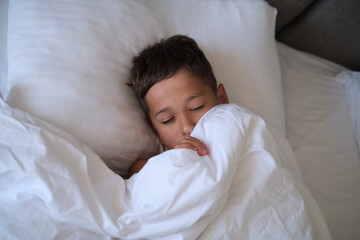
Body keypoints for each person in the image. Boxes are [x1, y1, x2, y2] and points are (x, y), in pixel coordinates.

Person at [127, 35, 229, 178]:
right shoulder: (153, 167)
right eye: (167, 120)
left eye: (196, 107)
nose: (187, 127)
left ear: (222, 100)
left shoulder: (244, 131)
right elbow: (135, 175)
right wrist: (175, 160)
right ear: (157, 132)